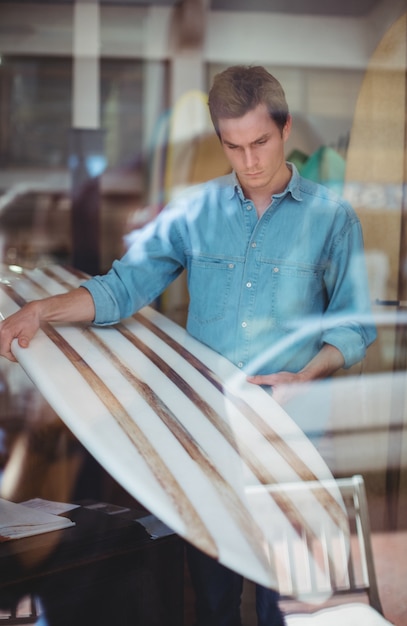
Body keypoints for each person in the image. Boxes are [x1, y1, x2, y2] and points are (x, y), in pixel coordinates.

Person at [0, 65, 376, 625]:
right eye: (234, 146)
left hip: (291, 446)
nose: (250, 162)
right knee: (214, 602)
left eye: (261, 143)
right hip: (207, 441)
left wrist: (308, 376)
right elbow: (125, 287)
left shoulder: (333, 219)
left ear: (286, 128)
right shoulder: (195, 212)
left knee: (291, 608)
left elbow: (354, 328)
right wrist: (41, 310)